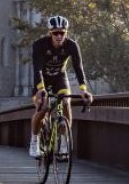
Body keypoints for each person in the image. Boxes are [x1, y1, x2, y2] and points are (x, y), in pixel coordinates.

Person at [28, 15, 92, 158]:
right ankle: (34, 141)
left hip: (59, 78)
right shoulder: (39, 45)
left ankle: (63, 143)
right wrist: (40, 89)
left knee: (65, 103)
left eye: (62, 33)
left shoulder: (72, 45)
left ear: (66, 33)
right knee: (43, 107)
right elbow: (37, 68)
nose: (58, 36)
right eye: (55, 33)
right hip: (42, 79)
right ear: (50, 33)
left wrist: (83, 90)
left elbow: (78, 68)